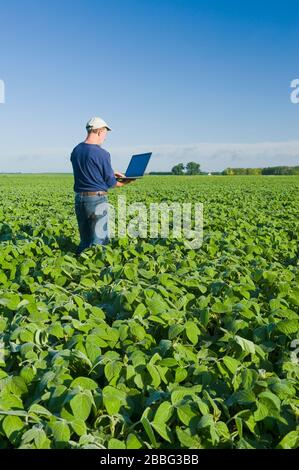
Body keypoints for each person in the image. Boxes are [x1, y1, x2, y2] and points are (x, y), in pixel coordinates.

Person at [70, 116, 133, 255]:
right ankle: (96, 271)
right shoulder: (102, 153)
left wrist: (110, 172)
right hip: (97, 200)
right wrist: (126, 181)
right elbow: (111, 183)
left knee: (85, 241)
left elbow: (87, 170)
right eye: (105, 133)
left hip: (80, 199)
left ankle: (80, 267)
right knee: (100, 241)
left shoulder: (76, 150)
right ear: (99, 132)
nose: (105, 137)